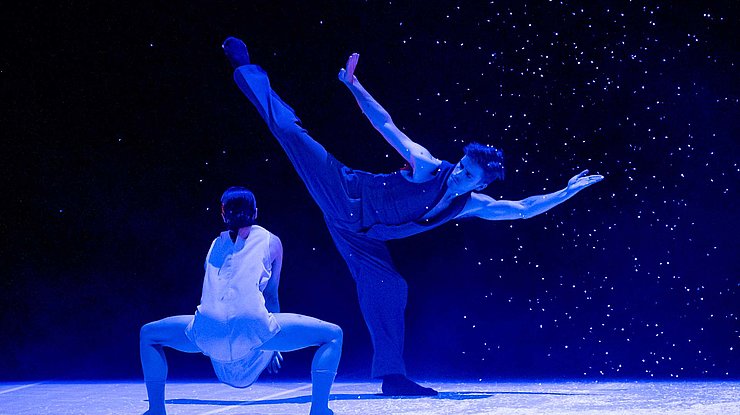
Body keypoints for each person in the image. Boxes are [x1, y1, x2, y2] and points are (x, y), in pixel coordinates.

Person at [222, 37, 604, 396]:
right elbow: (386, 125)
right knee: (292, 132)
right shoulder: (427, 165)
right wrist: (355, 86)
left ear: (479, 184)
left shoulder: (470, 204)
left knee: (390, 287)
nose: (459, 173)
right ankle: (246, 68)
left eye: (468, 175)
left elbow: (521, 210)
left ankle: (392, 376)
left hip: (362, 237)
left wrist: (566, 192)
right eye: (462, 165)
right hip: (346, 193)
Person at [139, 187, 342, 415]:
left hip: (207, 328)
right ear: (255, 212)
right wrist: (273, 343)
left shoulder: (214, 245)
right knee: (333, 335)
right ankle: (320, 410)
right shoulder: (271, 241)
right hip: (252, 326)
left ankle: (156, 411)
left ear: (222, 213)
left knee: (149, 334)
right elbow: (271, 295)